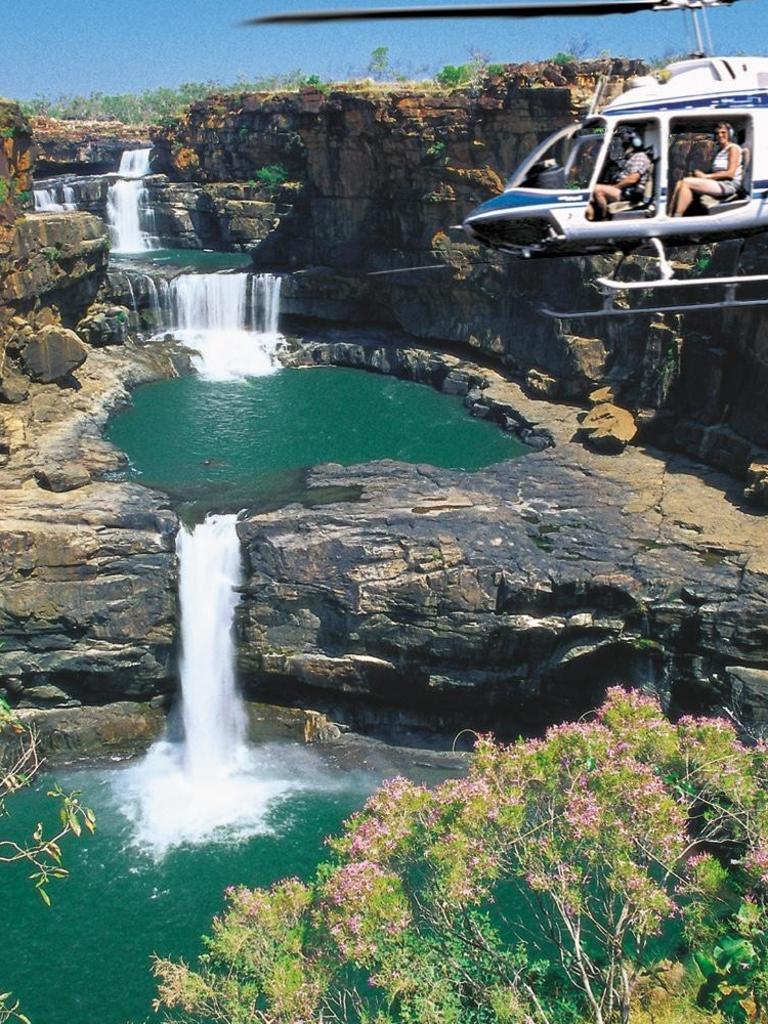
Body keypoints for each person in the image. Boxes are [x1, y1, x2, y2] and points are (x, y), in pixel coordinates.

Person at [670, 122, 743, 217]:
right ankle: (670, 214)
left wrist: (706, 177)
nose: (720, 135)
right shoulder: (720, 150)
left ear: (730, 134)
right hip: (720, 182)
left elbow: (730, 173)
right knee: (680, 183)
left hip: (729, 185)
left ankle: (677, 217)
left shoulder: (733, 148)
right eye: (717, 133)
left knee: (686, 182)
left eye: (723, 132)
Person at [586, 129, 652, 222]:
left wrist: (615, 187)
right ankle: (592, 218)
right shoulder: (630, 158)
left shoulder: (640, 156)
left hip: (629, 193)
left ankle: (603, 219)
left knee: (597, 189)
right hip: (622, 190)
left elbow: (633, 178)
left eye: (625, 144)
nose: (623, 147)